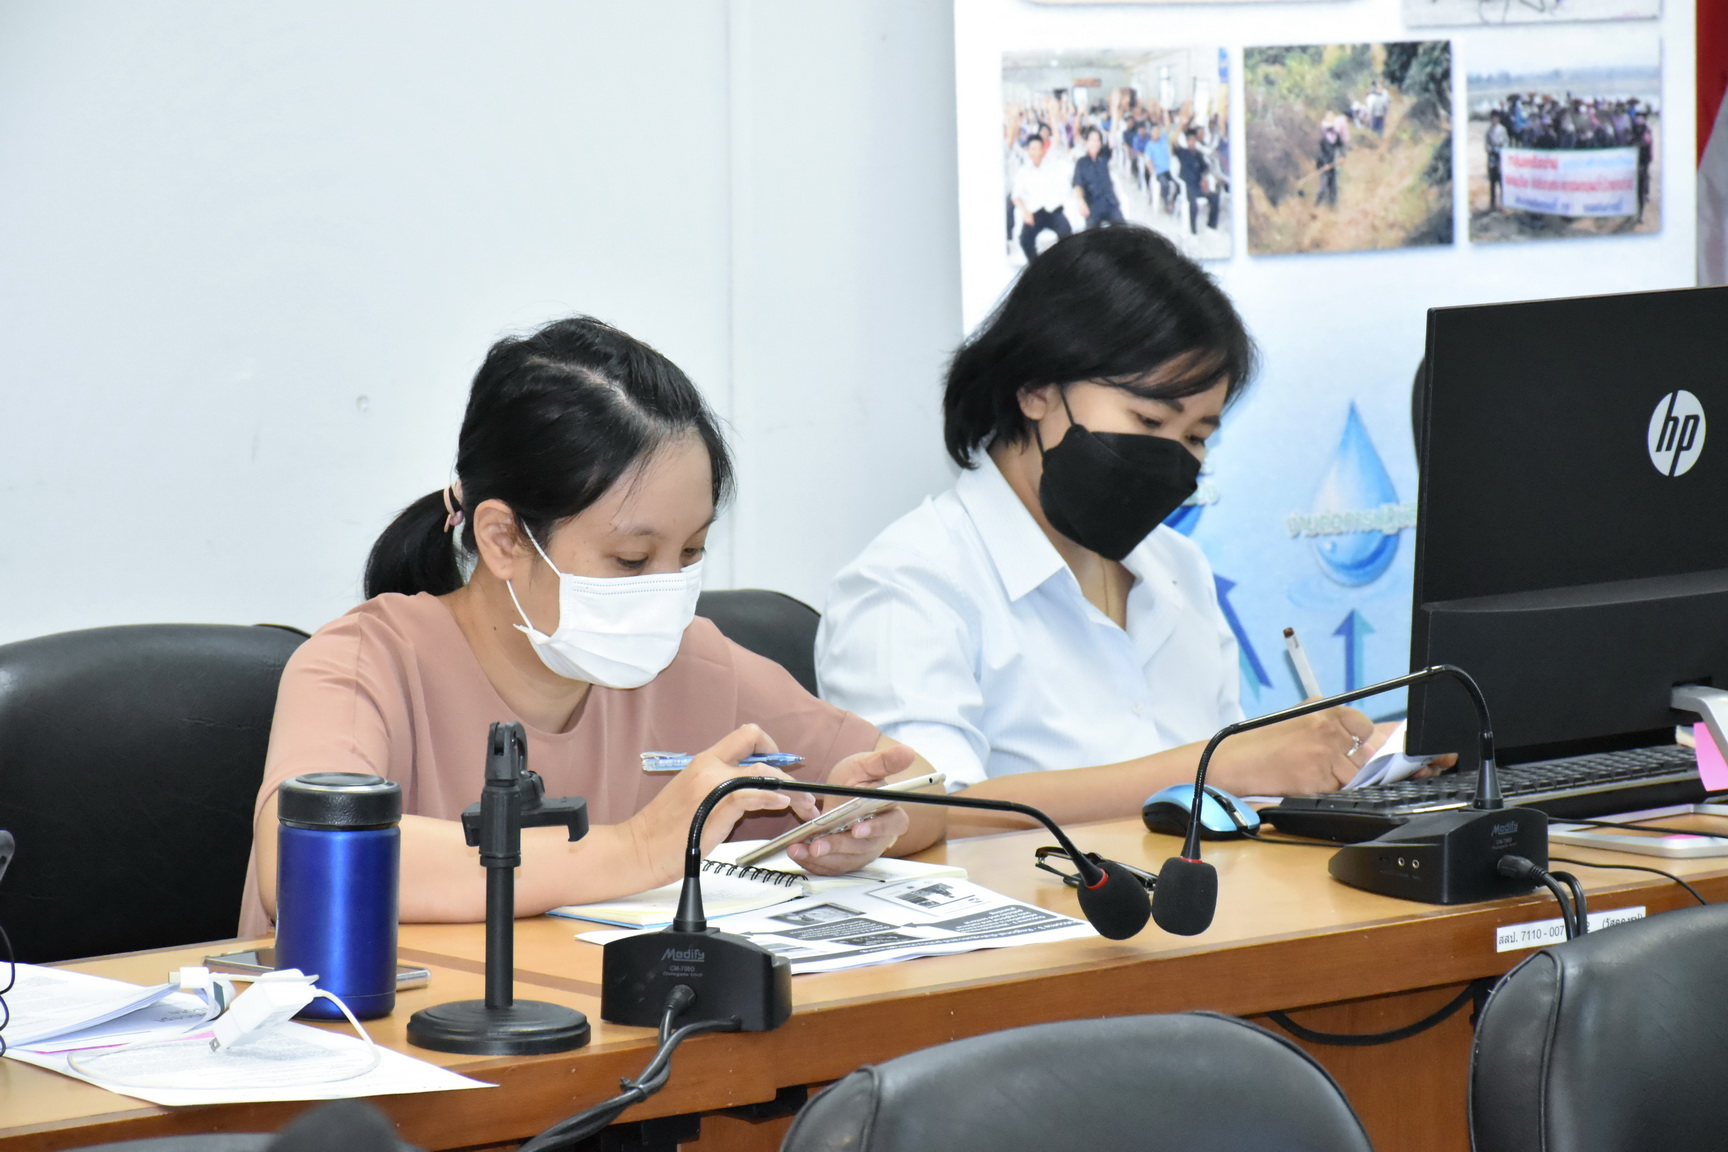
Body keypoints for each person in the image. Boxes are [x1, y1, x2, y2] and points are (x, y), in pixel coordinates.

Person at [241, 318, 943, 933]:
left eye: (691, 553)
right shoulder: (364, 662)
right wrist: (639, 848)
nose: (667, 589)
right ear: (504, 539)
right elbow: (309, 860)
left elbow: (925, 787)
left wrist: (863, 817)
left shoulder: (689, 664)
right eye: (632, 559)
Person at [816, 227, 1383, 833]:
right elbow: (922, 817)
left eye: (1197, 437)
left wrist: (1348, 767)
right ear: (1037, 389)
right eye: (1150, 420)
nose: (1172, 458)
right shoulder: (909, 584)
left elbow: (1229, 809)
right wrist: (1221, 766)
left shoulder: (1179, 567)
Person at [1011, 133, 1073, 262]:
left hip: (1053, 210)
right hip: (1034, 213)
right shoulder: (1023, 171)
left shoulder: (1051, 164)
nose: (1036, 152)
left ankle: (1061, 264)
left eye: (1038, 148)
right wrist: (1025, 212)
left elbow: (1057, 138)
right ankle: (1036, 266)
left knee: (1066, 233)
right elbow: (1016, 196)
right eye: (1032, 149)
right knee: (1025, 240)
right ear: (1028, 151)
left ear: (1043, 150)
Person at [1072, 127, 1123, 230]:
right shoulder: (1081, 163)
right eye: (1092, 140)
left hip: (1110, 202)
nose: (1095, 143)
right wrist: (1080, 201)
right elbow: (1077, 184)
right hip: (1093, 205)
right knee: (1092, 235)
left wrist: (1114, 118)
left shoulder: (1104, 156)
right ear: (1086, 142)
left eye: (1097, 140)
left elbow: (1112, 137)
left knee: (1124, 231)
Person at [1174, 126, 1219, 234]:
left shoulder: (1198, 155)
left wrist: (1204, 179)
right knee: (1192, 202)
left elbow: (1206, 169)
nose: (1192, 142)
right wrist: (1181, 126)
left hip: (1198, 186)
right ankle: (1193, 231)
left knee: (1215, 198)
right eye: (1190, 140)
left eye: (1194, 140)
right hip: (1186, 187)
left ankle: (1211, 226)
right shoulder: (1182, 152)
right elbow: (1174, 142)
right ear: (1187, 141)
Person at [1485, 110, 1509, 211]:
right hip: (1492, 159)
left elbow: (1506, 142)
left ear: (1498, 119)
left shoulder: (1502, 130)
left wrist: (1501, 149)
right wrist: (1491, 150)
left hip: (1501, 158)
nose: (1494, 120)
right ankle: (1492, 204)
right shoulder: (1488, 131)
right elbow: (1486, 145)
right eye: (1492, 119)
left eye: (1495, 118)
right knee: (1492, 182)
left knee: (1501, 182)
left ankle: (1503, 203)